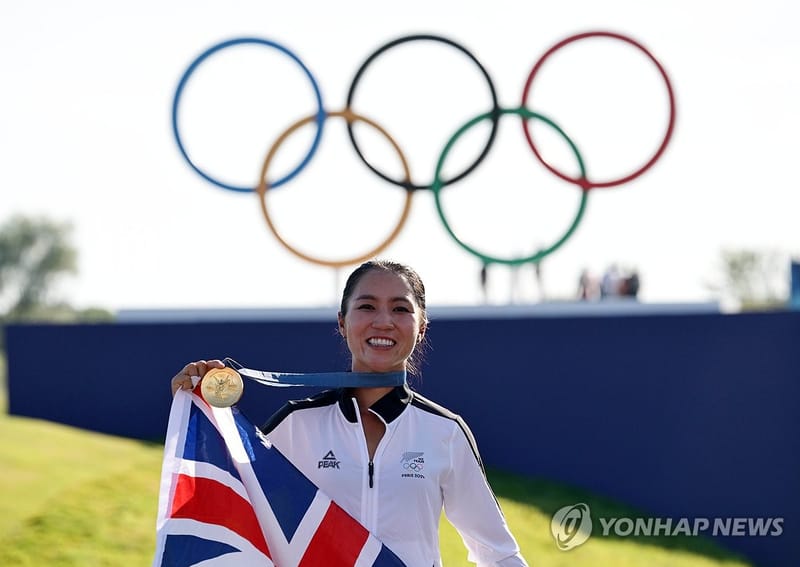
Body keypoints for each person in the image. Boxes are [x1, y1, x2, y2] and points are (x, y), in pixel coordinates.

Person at [171, 260, 528, 567]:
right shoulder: (297, 424)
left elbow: (497, 554)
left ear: (421, 328)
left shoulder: (444, 432)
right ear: (342, 322)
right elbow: (223, 506)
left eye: (401, 309)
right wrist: (197, 406)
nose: (384, 321)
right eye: (367, 306)